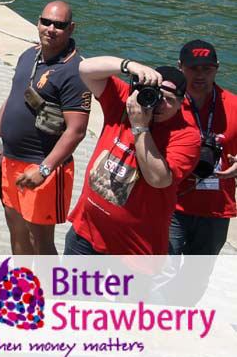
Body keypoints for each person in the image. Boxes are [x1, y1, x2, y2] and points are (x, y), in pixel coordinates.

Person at [0, 2, 89, 255]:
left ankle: (50, 293)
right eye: (46, 22)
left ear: (71, 28)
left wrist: (44, 169)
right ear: (38, 22)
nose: (51, 29)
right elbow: (14, 96)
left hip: (43, 167)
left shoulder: (75, 71)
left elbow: (76, 130)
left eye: (59, 25)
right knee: (17, 233)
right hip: (10, 160)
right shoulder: (29, 56)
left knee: (39, 240)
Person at [66, 58, 201, 255]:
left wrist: (140, 127)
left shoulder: (187, 135)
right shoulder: (126, 102)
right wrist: (130, 66)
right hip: (86, 233)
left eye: (169, 100)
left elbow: (158, 179)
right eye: (157, 95)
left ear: (182, 103)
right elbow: (85, 70)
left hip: (134, 248)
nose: (159, 104)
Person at [171, 40, 237, 255]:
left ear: (217, 67)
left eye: (207, 69)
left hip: (215, 209)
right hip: (171, 204)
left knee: (196, 278)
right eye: (193, 69)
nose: (200, 75)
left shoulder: (233, 105)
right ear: (180, 67)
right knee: (161, 272)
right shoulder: (168, 104)